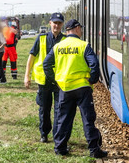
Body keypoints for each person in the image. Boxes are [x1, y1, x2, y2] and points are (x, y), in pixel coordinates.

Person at [43, 19, 107, 159]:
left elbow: (46, 64)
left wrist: (55, 80)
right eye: (81, 28)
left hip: (65, 88)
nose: (81, 30)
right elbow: (94, 65)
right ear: (77, 28)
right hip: (82, 89)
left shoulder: (58, 47)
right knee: (88, 119)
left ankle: (60, 147)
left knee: (63, 118)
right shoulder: (83, 45)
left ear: (66, 30)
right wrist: (92, 80)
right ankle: (94, 150)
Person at [24, 12, 65, 143]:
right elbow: (31, 58)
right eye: (55, 23)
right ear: (50, 23)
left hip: (59, 81)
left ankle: (57, 136)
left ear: (62, 24)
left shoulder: (65, 40)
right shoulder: (41, 38)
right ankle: (44, 133)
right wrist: (27, 76)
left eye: (59, 23)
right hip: (44, 81)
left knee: (59, 110)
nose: (56, 26)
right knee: (44, 109)